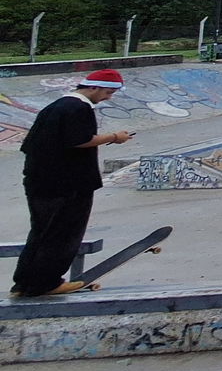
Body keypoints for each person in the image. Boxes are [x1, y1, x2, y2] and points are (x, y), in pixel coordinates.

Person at [9, 69, 134, 298]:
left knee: (41, 233)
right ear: (94, 87)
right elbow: (80, 140)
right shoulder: (79, 108)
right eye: (108, 92)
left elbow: (31, 145)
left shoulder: (56, 107)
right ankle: (46, 283)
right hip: (68, 184)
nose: (108, 97)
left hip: (40, 182)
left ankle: (24, 284)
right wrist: (115, 137)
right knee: (64, 234)